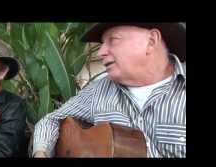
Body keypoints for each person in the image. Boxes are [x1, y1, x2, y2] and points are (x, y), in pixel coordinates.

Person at [33, 23, 186, 158]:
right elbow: (51, 120)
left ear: (151, 41)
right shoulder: (98, 89)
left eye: (113, 40)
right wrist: (41, 152)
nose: (101, 52)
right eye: (102, 43)